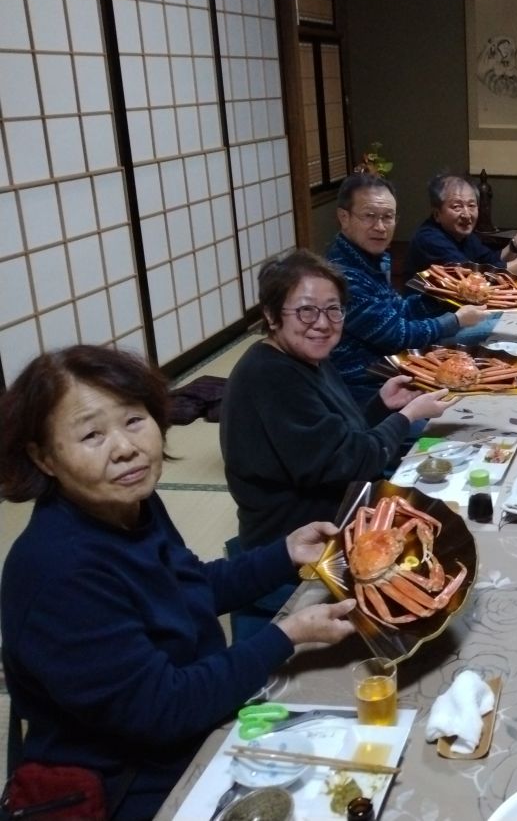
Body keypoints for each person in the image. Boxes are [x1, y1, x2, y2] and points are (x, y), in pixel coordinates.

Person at [0, 345, 357, 820]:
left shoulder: (132, 505)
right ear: (43, 457)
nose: (126, 447)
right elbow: (164, 708)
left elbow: (188, 589)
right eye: (91, 434)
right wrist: (286, 635)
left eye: (133, 420)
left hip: (192, 722)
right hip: (130, 782)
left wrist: (285, 554)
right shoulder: (59, 572)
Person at [221, 249, 452, 633]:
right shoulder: (269, 376)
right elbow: (347, 459)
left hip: (338, 511)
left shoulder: (306, 359)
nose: (323, 324)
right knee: (434, 584)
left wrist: (380, 405)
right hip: (298, 546)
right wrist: (407, 416)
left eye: (333, 310)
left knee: (446, 509)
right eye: (306, 311)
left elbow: (333, 437)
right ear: (271, 315)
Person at [326, 173, 492, 406]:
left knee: (494, 340)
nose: (380, 226)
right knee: (479, 403)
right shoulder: (342, 275)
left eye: (388, 217)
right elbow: (397, 335)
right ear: (344, 218)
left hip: (397, 370)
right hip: (370, 390)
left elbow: (400, 309)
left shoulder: (372, 258)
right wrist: (454, 320)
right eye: (369, 216)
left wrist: (444, 295)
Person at [400, 173, 517, 279]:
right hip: (436, 320)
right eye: (457, 207)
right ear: (437, 214)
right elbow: (478, 279)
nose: (467, 214)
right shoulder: (430, 239)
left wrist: (514, 245)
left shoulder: (463, 234)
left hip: (465, 310)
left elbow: (490, 261)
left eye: (471, 205)